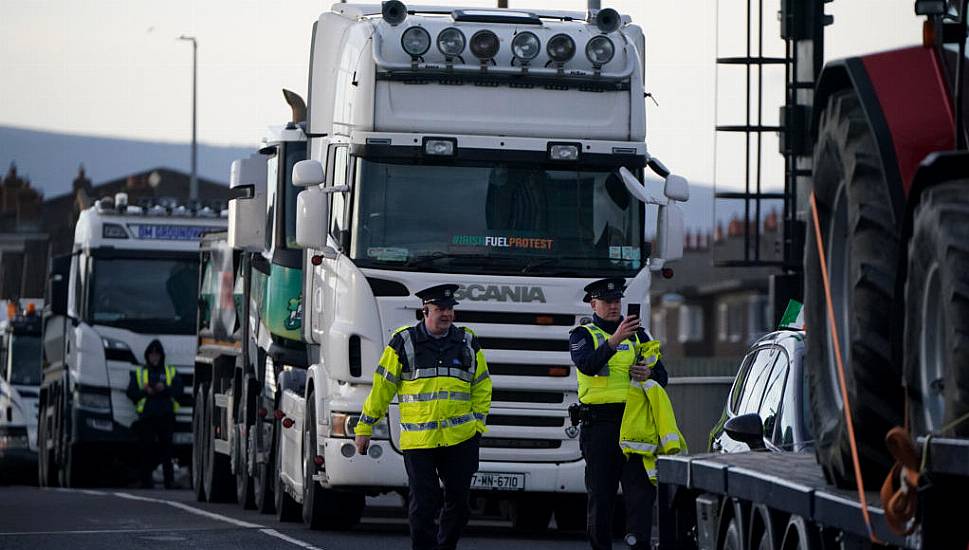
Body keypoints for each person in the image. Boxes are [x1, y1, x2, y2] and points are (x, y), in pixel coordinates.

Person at [354, 283, 492, 550]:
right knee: (424, 504)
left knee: (460, 505)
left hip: (460, 438)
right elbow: (382, 388)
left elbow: (482, 384)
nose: (447, 314)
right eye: (440, 309)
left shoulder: (467, 341)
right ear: (425, 311)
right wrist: (365, 427)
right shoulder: (403, 342)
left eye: (450, 309)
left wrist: (477, 425)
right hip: (421, 441)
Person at [569, 277, 669, 549]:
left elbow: (662, 376)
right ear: (593, 304)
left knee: (641, 494)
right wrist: (614, 341)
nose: (614, 307)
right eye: (607, 302)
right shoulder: (583, 335)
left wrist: (650, 372)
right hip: (600, 426)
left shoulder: (640, 335)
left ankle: (639, 544)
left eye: (616, 301)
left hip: (635, 423)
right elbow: (587, 365)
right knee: (601, 496)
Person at [126, 339, 183, 489]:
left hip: (166, 415)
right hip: (147, 417)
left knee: (167, 451)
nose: (154, 357)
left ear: (161, 356)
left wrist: (164, 388)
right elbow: (131, 393)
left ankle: (169, 481)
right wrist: (145, 391)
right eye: (152, 355)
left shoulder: (170, 372)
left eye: (157, 354)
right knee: (146, 450)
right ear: (147, 356)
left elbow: (179, 391)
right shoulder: (140, 372)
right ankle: (145, 481)